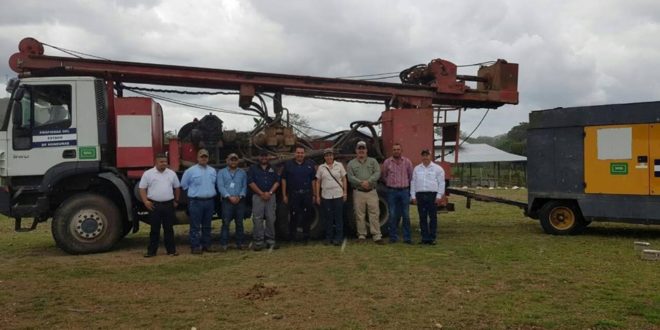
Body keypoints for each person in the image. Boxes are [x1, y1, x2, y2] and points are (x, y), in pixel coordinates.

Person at [139, 153, 181, 257]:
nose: (164, 164)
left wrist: (176, 200)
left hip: (168, 204)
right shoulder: (148, 174)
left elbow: (177, 187)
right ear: (156, 162)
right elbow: (142, 188)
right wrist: (145, 201)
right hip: (154, 205)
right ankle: (151, 252)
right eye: (161, 162)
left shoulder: (171, 173)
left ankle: (171, 251)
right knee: (154, 229)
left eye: (165, 162)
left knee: (169, 229)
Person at [346, 141, 385, 244]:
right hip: (358, 192)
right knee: (359, 215)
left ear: (366, 150)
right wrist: (361, 183)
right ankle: (362, 236)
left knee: (374, 214)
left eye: (363, 148)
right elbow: (350, 177)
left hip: (371, 191)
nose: (361, 150)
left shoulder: (373, 161)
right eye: (359, 149)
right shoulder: (351, 163)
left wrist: (369, 181)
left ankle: (377, 236)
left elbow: (377, 172)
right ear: (356, 151)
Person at [180, 149, 217, 254]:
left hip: (209, 202)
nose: (204, 158)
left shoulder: (212, 171)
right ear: (197, 158)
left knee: (207, 225)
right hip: (196, 202)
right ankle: (195, 246)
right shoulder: (190, 171)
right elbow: (184, 185)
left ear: (208, 158)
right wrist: (194, 192)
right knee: (195, 226)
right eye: (202, 157)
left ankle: (207, 245)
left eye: (205, 157)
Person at [282, 146, 317, 243]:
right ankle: (292, 237)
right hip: (294, 194)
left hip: (307, 194)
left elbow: (313, 180)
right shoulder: (288, 165)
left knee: (307, 216)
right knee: (294, 216)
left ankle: (306, 237)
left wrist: (314, 194)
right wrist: (284, 194)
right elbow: (284, 180)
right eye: (298, 153)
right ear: (295, 154)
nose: (300, 155)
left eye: (302, 153)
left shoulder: (310, 164)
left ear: (304, 154)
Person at [410, 149, 446, 245]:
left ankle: (432, 238)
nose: (425, 157)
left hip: (432, 195)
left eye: (427, 155)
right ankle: (424, 238)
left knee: (433, 217)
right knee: (422, 217)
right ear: (421, 156)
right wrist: (413, 196)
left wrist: (439, 196)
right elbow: (413, 182)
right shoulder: (416, 169)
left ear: (431, 156)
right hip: (420, 195)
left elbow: (441, 183)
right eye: (423, 155)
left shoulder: (438, 169)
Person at [247, 151, 280, 251]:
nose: (264, 158)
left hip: (271, 196)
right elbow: (250, 182)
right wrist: (261, 193)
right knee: (257, 219)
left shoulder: (273, 168)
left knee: (271, 218)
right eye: (262, 156)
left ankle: (270, 240)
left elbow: (277, 182)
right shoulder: (253, 168)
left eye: (265, 156)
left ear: (268, 157)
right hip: (258, 197)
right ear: (258, 157)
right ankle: (258, 241)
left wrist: (269, 193)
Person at [381, 143, 414, 244]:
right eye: (394, 149)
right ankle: (393, 237)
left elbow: (411, 176)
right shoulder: (387, 162)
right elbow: (384, 176)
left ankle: (407, 238)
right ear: (392, 151)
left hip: (404, 191)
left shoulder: (407, 162)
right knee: (392, 214)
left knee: (406, 215)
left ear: (401, 151)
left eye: (398, 149)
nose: (396, 151)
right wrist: (390, 183)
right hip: (392, 191)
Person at [314, 148, 347, 246]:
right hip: (326, 196)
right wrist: (318, 196)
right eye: (327, 155)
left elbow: (344, 179)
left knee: (338, 217)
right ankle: (328, 238)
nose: (329, 157)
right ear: (324, 157)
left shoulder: (339, 165)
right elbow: (318, 182)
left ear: (333, 156)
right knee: (328, 218)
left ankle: (338, 238)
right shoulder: (321, 167)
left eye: (330, 155)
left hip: (338, 195)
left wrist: (345, 192)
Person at [216, 153, 247, 251]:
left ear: (238, 161)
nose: (233, 162)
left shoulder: (242, 173)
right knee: (225, 223)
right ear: (227, 160)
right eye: (231, 160)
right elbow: (220, 186)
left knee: (240, 223)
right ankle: (224, 244)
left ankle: (240, 243)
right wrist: (229, 197)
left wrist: (240, 196)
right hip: (227, 201)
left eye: (235, 160)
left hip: (240, 201)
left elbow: (244, 186)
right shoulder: (221, 172)